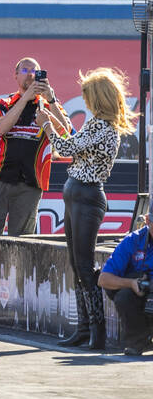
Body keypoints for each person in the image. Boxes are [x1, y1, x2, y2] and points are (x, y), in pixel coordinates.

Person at [46, 68, 134, 350]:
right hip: (78, 194)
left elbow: (65, 146)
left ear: (96, 98)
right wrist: (52, 102)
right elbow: (74, 138)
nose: (83, 99)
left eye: (86, 94)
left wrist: (46, 124)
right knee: (77, 264)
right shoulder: (98, 125)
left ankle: (95, 330)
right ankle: (85, 328)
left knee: (84, 266)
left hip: (86, 195)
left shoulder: (102, 127)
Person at [0, 58, 70, 237]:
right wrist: (26, 97)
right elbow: (1, 128)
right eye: (25, 70)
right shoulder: (4, 103)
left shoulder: (49, 105)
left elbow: (65, 133)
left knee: (21, 242)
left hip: (32, 180)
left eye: (34, 71)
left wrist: (50, 98)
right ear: (15, 75)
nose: (30, 74)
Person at [98, 217, 153, 356]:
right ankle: (138, 341)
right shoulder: (132, 240)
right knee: (123, 296)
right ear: (148, 221)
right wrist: (131, 283)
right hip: (140, 293)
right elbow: (103, 279)